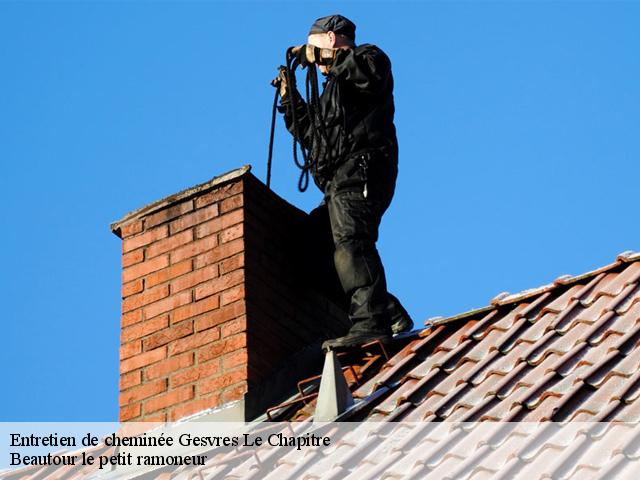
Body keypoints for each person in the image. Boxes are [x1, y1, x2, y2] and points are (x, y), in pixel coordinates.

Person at [275, 14, 413, 351]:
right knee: (311, 252)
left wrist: (320, 57)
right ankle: (386, 310)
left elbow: (366, 76)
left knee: (352, 241)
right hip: (337, 181)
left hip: (363, 169)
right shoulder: (331, 92)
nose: (315, 63)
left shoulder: (370, 58)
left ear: (333, 39)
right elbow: (315, 137)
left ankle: (371, 324)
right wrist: (290, 99)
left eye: (315, 48)